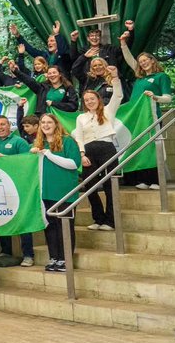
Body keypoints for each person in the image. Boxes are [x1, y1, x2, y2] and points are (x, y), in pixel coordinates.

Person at [121, 21, 172, 190]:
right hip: (138, 118)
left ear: (152, 59)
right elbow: (129, 59)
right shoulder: (140, 79)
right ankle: (143, 179)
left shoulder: (160, 77)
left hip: (152, 116)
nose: (143, 63)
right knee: (140, 147)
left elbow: (168, 98)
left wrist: (155, 97)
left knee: (153, 147)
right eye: (140, 61)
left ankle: (157, 180)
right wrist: (122, 44)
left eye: (145, 60)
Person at [73, 75, 123, 231]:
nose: (89, 102)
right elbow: (79, 138)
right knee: (90, 186)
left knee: (110, 185)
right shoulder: (81, 117)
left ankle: (110, 220)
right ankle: (98, 218)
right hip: (89, 152)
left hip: (107, 149)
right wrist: (82, 155)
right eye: (86, 100)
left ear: (98, 99)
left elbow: (118, 95)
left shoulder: (108, 110)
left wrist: (115, 79)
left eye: (92, 99)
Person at [34, 114, 81, 273]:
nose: (46, 125)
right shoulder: (39, 143)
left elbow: (73, 164)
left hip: (65, 192)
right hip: (46, 192)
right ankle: (54, 257)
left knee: (65, 226)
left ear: (56, 124)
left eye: (49, 122)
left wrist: (48, 154)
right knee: (50, 227)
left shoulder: (68, 141)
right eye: (43, 122)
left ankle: (65, 259)